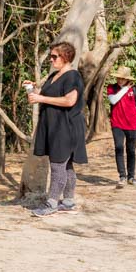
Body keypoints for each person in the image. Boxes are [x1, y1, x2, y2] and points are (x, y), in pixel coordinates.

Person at [30, 41, 87, 218]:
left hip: (66, 127)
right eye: (51, 56)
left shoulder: (73, 76)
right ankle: (68, 201)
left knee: (57, 165)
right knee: (66, 165)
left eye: (54, 57)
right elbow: (47, 94)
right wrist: (33, 89)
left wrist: (41, 99)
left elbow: (70, 101)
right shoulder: (54, 75)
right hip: (54, 126)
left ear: (66, 57)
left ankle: (52, 202)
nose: (51, 59)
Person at [107, 67, 136, 187]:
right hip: (117, 123)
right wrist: (125, 89)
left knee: (131, 150)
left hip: (132, 124)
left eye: (122, 78)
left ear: (127, 79)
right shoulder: (111, 88)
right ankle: (122, 176)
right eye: (118, 77)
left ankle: (131, 177)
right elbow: (113, 100)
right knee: (118, 147)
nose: (119, 80)